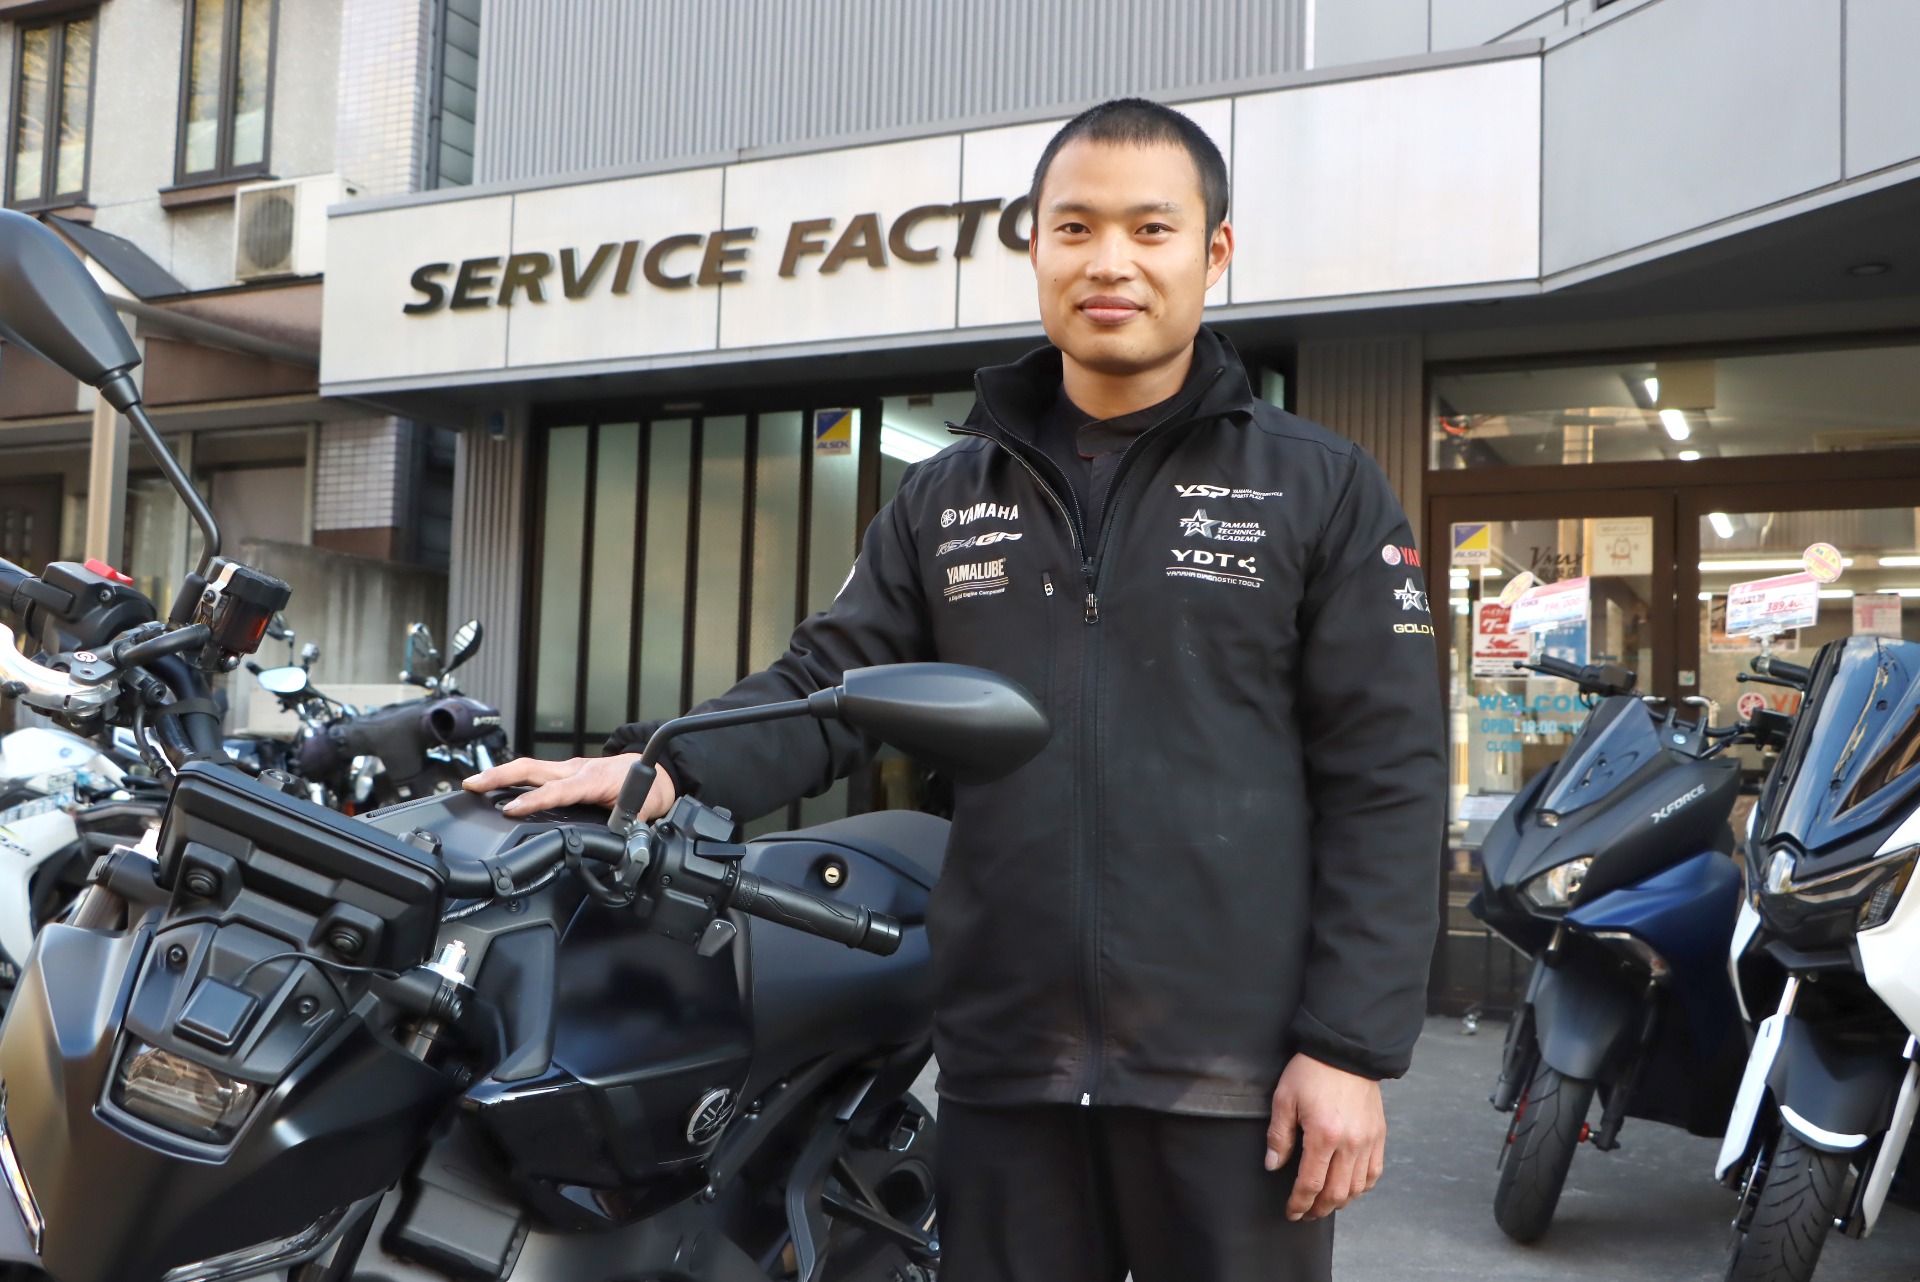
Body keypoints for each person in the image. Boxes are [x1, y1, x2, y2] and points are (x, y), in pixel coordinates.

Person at [468, 97, 1446, 1282]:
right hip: (1008, 1070)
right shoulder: (951, 494)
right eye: (1075, 227)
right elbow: (827, 682)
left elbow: (1388, 780)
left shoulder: (1318, 486)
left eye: (1151, 229)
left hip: (1235, 1085)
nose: (1111, 262)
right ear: (1034, 244)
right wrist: (661, 765)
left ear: (1215, 252)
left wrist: (1348, 1048)